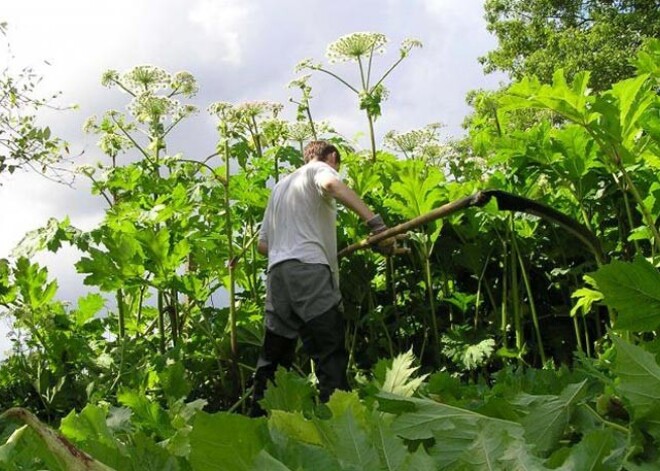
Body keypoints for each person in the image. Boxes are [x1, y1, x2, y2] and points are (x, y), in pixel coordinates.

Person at [249, 140, 392, 417]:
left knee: (273, 362)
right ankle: (342, 428)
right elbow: (331, 186)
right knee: (329, 354)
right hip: (308, 272)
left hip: (278, 276)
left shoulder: (280, 187)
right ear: (333, 158)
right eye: (338, 164)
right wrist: (376, 224)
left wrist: (306, 242)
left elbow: (263, 245)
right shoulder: (319, 170)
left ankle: (255, 427)